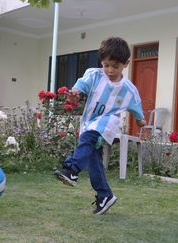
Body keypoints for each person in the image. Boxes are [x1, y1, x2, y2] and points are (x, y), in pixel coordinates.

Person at [54, 37, 147, 215]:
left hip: (107, 124)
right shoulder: (94, 75)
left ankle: (71, 170)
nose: (110, 70)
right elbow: (81, 86)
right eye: (106, 65)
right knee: (93, 160)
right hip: (89, 122)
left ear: (126, 64)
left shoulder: (129, 89)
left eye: (115, 66)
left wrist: (140, 119)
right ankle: (105, 195)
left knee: (88, 139)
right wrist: (75, 94)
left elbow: (136, 106)